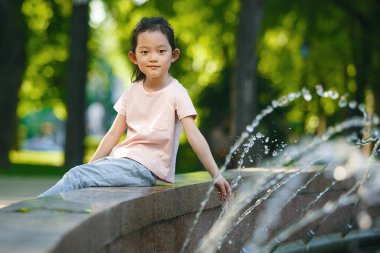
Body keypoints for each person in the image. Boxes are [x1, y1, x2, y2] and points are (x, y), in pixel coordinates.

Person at [39, 17, 232, 201]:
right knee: (80, 176)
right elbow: (113, 134)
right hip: (122, 161)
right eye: (145, 52)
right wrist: (90, 167)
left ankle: (33, 212)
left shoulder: (176, 92)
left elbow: (194, 135)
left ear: (174, 55)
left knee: (76, 176)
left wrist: (215, 174)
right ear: (134, 57)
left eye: (161, 51)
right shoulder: (132, 91)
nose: (153, 58)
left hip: (142, 168)